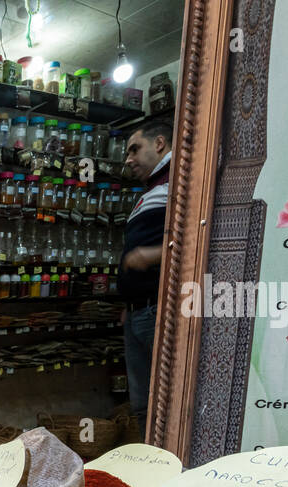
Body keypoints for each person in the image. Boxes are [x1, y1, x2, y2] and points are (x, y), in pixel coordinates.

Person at [119, 117, 173, 429]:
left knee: (164, 401)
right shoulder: (151, 190)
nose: (128, 160)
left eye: (134, 149)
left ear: (159, 143)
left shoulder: (180, 183)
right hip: (138, 311)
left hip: (158, 309)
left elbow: (199, 237)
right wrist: (127, 303)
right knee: (141, 404)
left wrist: (153, 254)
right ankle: (147, 472)